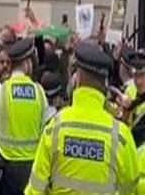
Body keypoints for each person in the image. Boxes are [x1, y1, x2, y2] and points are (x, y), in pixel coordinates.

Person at [25, 42, 139, 194]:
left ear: (77, 79)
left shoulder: (55, 128)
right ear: (104, 84)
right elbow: (132, 189)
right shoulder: (121, 136)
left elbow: (35, 190)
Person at [0, 38, 47, 195]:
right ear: (27, 62)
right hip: (33, 169)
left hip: (8, 170)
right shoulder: (39, 92)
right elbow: (45, 134)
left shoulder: (1, 90)